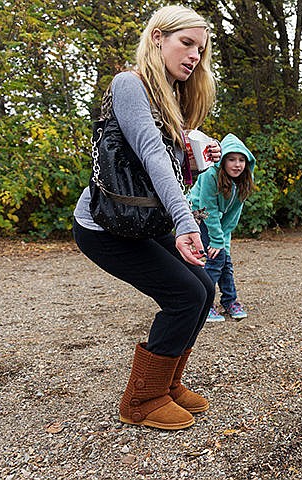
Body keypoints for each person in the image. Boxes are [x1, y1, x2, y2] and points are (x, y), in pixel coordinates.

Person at [72, 5, 221, 430]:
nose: (194, 56)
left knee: (205, 288)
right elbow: (152, 156)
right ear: (158, 38)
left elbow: (161, 166)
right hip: (104, 227)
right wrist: (185, 223)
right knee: (184, 295)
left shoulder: (169, 98)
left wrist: (195, 156)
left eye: (201, 49)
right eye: (186, 43)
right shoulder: (129, 83)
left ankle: (167, 384)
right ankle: (140, 400)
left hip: (138, 222)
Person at [188, 133, 256, 322]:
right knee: (215, 258)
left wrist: (223, 239)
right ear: (223, 160)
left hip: (214, 217)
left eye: (242, 160)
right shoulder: (211, 175)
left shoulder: (244, 180)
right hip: (197, 212)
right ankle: (205, 304)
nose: (237, 164)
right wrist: (217, 240)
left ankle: (229, 300)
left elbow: (233, 214)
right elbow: (207, 207)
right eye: (232, 159)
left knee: (224, 258)